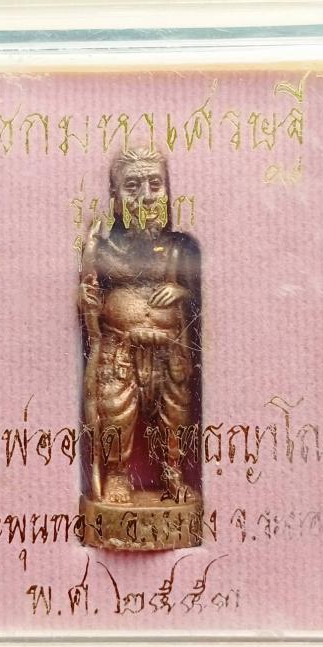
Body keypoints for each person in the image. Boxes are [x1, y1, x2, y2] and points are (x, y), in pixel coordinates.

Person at [79, 146, 201, 505]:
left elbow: (196, 298)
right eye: (132, 186)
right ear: (115, 197)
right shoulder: (103, 250)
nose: (146, 197)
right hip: (119, 348)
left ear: (168, 191)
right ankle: (117, 475)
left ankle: (172, 473)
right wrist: (87, 300)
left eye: (154, 184)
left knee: (174, 415)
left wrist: (181, 291)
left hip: (169, 348)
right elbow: (91, 295)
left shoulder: (178, 249)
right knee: (116, 413)